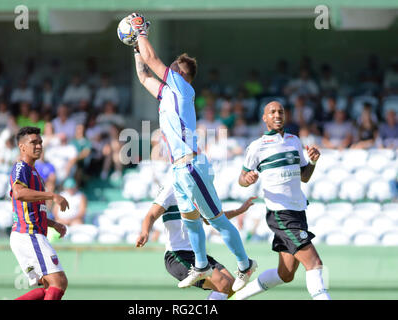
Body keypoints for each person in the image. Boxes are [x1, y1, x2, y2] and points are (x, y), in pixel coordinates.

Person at [129, 12, 256, 291]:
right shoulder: (168, 93)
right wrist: (135, 47)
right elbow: (142, 74)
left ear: (181, 73)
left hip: (191, 164)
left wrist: (141, 32)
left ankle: (246, 264)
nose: (168, 69)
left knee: (216, 220)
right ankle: (200, 265)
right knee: (191, 218)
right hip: (179, 167)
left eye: (173, 66)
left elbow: (153, 62)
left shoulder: (181, 87)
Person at [236, 101, 330, 300]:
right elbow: (241, 179)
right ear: (265, 118)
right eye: (272, 112)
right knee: (314, 263)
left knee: (285, 274)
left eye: (280, 111)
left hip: (298, 212)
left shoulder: (294, 141)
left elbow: (304, 176)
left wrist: (312, 161)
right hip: (281, 214)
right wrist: (248, 178)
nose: (277, 115)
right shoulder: (257, 147)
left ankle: (236, 297)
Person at [136, 177, 257, 300]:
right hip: (177, 255)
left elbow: (212, 219)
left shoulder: (199, 189)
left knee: (232, 287)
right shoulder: (171, 187)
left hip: (199, 256)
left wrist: (240, 210)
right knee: (223, 284)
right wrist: (145, 232)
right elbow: (151, 214)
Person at [9, 126, 70, 300]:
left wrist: (53, 223)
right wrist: (52, 194)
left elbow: (33, 208)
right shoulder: (22, 167)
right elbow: (19, 193)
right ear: (22, 147)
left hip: (31, 234)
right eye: (33, 142)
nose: (38, 146)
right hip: (28, 234)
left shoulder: (35, 172)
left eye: (40, 142)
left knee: (50, 286)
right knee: (59, 282)